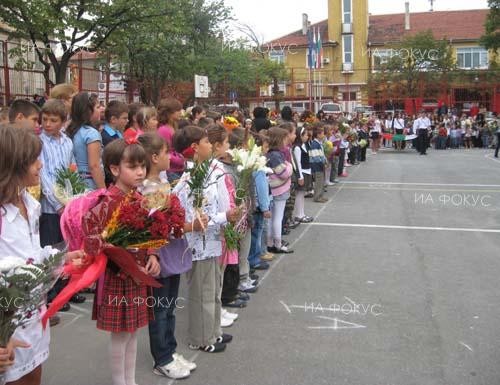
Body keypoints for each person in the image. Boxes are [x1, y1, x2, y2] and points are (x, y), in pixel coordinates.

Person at [0, 125, 84, 385]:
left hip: (33, 317)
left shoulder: (30, 204)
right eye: (34, 159)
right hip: (6, 325)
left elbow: (32, 255)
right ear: (13, 165)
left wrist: (63, 258)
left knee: (33, 376)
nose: (41, 165)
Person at [83, 139, 161, 385]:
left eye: (142, 166)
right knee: (120, 335)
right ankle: (120, 381)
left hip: (137, 273)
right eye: (133, 166)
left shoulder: (140, 197)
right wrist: (111, 249)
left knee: (133, 331)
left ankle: (131, 381)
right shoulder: (107, 200)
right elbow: (93, 238)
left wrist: (152, 255)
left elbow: (150, 233)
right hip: (118, 276)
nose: (140, 172)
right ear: (115, 169)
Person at [173, 125, 239, 353]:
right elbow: (196, 218)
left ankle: (213, 332)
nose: (210, 145)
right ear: (194, 147)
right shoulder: (190, 179)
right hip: (198, 245)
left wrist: (225, 216)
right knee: (201, 293)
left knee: (212, 290)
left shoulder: (205, 172)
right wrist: (225, 216)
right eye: (206, 142)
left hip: (211, 242)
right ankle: (200, 338)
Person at [138, 133, 198, 379]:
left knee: (170, 306)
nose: (169, 156)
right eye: (165, 152)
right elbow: (157, 225)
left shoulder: (162, 180)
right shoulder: (147, 188)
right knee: (160, 309)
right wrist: (187, 225)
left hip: (171, 254)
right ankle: (161, 358)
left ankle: (170, 351)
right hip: (159, 256)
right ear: (154, 157)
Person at [39, 100, 87, 313]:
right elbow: (43, 176)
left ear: (63, 121)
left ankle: (66, 287)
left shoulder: (67, 142)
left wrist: (74, 198)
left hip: (68, 203)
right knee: (52, 247)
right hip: (51, 207)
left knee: (67, 245)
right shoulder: (40, 143)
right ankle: (51, 292)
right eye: (45, 119)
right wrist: (58, 203)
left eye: (53, 120)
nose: (48, 124)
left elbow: (72, 170)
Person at [66, 92, 104, 190]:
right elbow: (94, 166)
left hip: (74, 182)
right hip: (90, 184)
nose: (101, 110)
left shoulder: (70, 130)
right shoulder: (91, 133)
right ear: (88, 111)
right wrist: (103, 190)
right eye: (98, 107)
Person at [266, 127, 293, 254]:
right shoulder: (276, 155)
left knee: (271, 219)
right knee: (278, 218)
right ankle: (278, 243)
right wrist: (290, 165)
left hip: (273, 190)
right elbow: (283, 173)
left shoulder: (270, 153)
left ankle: (270, 242)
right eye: (284, 139)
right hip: (279, 190)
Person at [157, 98, 185, 181]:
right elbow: (166, 151)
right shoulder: (164, 130)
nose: (181, 112)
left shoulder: (173, 126)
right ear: (168, 113)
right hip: (171, 170)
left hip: (178, 168)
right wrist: (181, 160)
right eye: (178, 110)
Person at [292, 126, 313, 223]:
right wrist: (300, 176)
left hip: (307, 171)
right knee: (299, 194)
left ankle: (302, 213)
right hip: (302, 173)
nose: (307, 136)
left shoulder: (305, 145)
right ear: (300, 136)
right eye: (305, 135)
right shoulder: (297, 147)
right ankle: (298, 215)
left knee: (302, 194)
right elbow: (298, 163)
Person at [309, 124, 328, 203]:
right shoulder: (314, 144)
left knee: (321, 181)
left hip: (320, 165)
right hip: (317, 166)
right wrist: (323, 163)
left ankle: (321, 195)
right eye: (322, 133)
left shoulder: (319, 143)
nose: (324, 135)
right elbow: (316, 157)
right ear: (318, 135)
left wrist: (325, 160)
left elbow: (322, 154)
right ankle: (317, 197)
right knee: (318, 182)